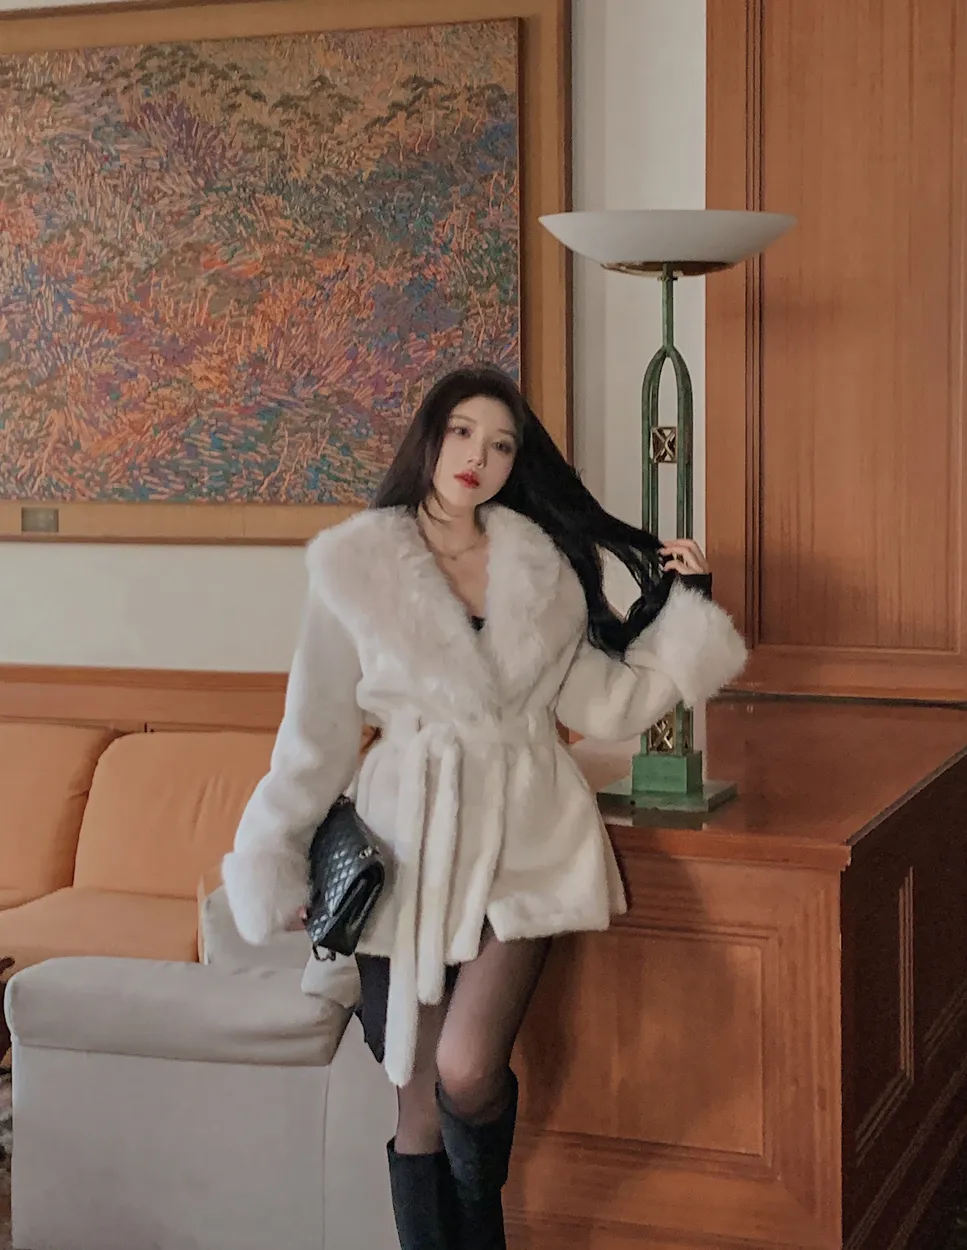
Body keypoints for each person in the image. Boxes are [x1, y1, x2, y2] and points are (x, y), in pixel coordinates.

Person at [222, 366, 747, 1250]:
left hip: (527, 841)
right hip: (407, 852)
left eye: (501, 444)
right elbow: (315, 735)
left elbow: (606, 704)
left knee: (468, 1070)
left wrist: (684, 616)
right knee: (418, 1105)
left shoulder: (543, 568)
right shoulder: (354, 566)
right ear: (429, 437)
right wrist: (274, 851)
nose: (478, 456)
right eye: (463, 432)